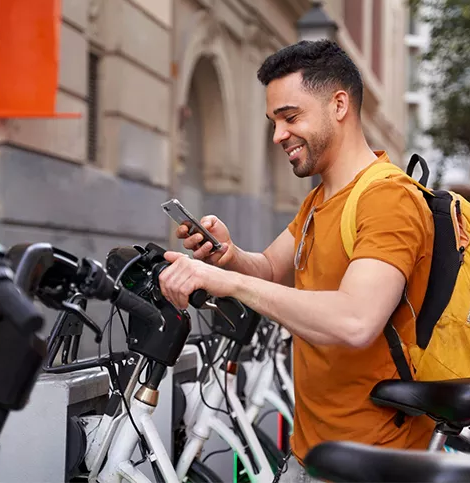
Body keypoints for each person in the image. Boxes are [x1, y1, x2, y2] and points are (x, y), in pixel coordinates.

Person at [156, 40, 435, 481]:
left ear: (339, 104)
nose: (278, 135)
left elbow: (356, 321)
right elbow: (266, 269)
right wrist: (226, 255)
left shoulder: (386, 198)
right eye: (274, 122)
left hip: (372, 461)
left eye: (290, 117)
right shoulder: (320, 200)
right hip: (314, 451)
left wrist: (227, 283)